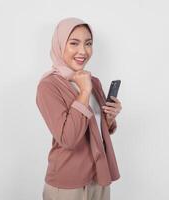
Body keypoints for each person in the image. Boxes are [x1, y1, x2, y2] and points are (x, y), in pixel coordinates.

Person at [36, 17, 122, 200]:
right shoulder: (49, 86)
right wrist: (84, 92)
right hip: (68, 183)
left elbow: (93, 130)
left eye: (88, 44)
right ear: (60, 45)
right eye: (74, 43)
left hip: (99, 177)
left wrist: (109, 119)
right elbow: (68, 138)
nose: (83, 51)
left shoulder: (93, 81)